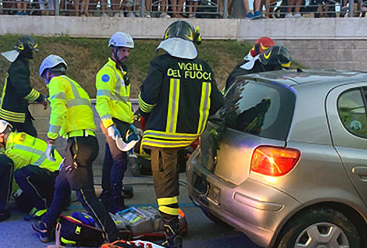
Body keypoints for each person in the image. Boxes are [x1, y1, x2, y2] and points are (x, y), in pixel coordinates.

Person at [138, 21, 223, 248]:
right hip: (191, 138)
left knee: (165, 186)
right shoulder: (204, 67)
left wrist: (140, 116)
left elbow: (147, 100)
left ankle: (172, 235)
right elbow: (218, 104)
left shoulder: (160, 63)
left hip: (163, 138)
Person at [32, 55, 120, 244]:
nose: (46, 83)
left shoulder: (56, 83)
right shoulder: (74, 85)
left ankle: (113, 237)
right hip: (84, 142)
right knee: (61, 184)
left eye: (44, 79)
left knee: (85, 195)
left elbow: (59, 111)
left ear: (47, 73)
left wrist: (50, 140)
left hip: (78, 143)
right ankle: (46, 225)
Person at [96, 32, 139, 214]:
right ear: (113, 49)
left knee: (110, 162)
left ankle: (107, 197)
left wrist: (129, 123)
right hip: (113, 124)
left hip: (120, 123)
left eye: (128, 50)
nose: (126, 54)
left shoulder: (119, 71)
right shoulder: (107, 73)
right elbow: (102, 101)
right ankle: (115, 202)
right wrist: (110, 124)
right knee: (119, 162)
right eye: (122, 50)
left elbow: (123, 101)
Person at [0, 119, 62, 221]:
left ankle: (42, 207)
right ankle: (54, 200)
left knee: (20, 176)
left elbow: (11, 181)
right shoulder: (22, 137)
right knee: (23, 197)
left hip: (53, 176)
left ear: (0, 138)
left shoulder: (14, 151)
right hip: (59, 177)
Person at [0, 36, 46, 136]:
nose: (33, 53)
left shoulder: (19, 64)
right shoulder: (19, 67)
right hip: (13, 114)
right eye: (32, 50)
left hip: (15, 112)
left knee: (5, 141)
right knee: (30, 139)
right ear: (26, 50)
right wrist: (41, 98)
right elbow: (24, 90)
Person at [225, 45, 292, 91]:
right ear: (271, 67)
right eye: (279, 71)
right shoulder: (243, 76)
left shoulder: (261, 74)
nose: (280, 76)